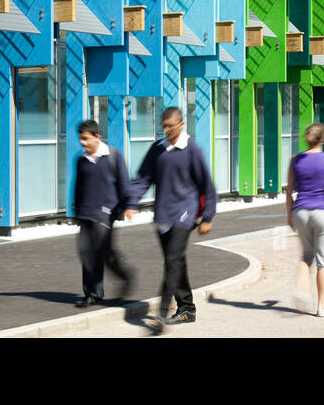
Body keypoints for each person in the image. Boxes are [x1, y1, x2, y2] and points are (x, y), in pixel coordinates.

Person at [122, 106, 217, 331]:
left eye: (170, 126)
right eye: (163, 126)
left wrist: (208, 216)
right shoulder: (158, 149)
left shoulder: (191, 149)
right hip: (163, 214)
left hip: (185, 212)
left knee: (173, 260)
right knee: (175, 262)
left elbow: (206, 184)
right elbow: (142, 179)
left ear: (181, 124)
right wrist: (132, 203)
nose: (166, 130)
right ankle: (187, 308)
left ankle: (162, 313)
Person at [70, 119, 135, 306]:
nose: (82, 142)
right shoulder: (81, 159)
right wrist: (75, 210)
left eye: (85, 138)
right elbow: (78, 186)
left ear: (97, 137)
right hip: (85, 213)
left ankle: (125, 275)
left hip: (106, 212)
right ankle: (92, 293)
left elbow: (124, 183)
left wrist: (129, 205)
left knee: (104, 253)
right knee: (86, 252)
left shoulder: (113, 156)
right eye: (80, 138)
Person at [285, 122, 324, 316]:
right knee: (323, 262)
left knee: (306, 255)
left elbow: (289, 191)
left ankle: (302, 291)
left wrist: (289, 215)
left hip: (300, 212)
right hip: (323, 214)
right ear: (323, 139)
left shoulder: (295, 160)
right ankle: (321, 306)